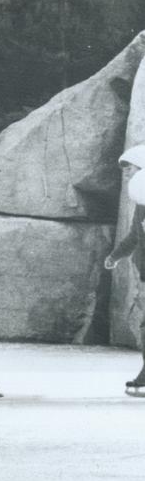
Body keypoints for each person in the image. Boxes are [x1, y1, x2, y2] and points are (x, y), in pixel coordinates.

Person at [103, 146, 145, 396]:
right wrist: (115, 255)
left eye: (129, 169)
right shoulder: (142, 204)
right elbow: (134, 235)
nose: (126, 175)